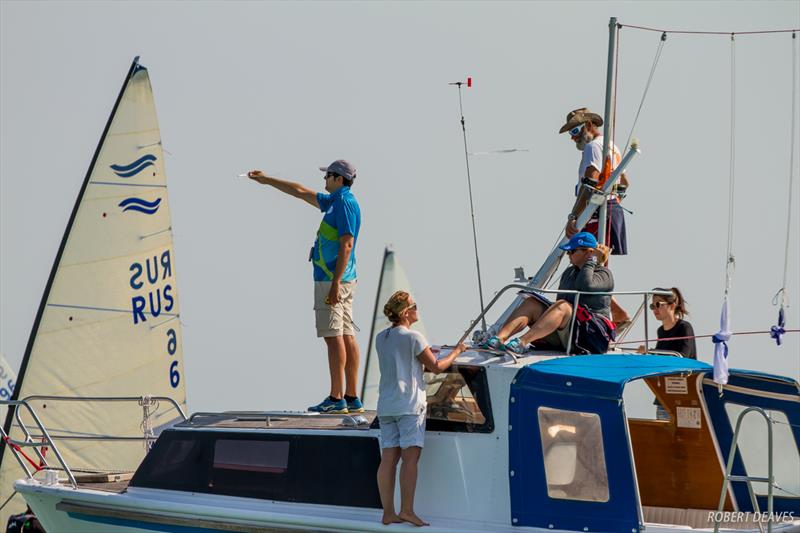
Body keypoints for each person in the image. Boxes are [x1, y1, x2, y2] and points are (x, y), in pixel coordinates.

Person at [248, 160, 362, 414]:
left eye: (328, 176)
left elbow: (346, 244)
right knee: (344, 334)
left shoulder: (343, 203)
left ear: (339, 178)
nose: (324, 180)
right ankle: (351, 396)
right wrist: (267, 180)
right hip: (340, 279)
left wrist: (334, 283)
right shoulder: (335, 202)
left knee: (334, 337)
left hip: (332, 280)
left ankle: (337, 398)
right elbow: (301, 192)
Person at [375, 291, 466, 527]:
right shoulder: (415, 337)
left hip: (386, 406)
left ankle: (388, 513)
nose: (418, 310)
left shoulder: (381, 338)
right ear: (406, 312)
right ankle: (407, 510)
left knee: (388, 460)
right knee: (410, 459)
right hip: (409, 406)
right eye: (415, 306)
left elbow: (404, 363)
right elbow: (436, 368)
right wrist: (457, 351)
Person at [485, 232, 615, 354]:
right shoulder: (569, 273)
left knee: (563, 305)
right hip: (569, 332)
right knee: (531, 302)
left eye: (572, 251)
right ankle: (498, 339)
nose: (568, 255)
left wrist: (591, 261)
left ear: (589, 253)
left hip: (592, 336)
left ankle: (521, 342)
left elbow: (585, 285)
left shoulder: (604, 274)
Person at [561, 107, 630, 327]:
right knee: (597, 263)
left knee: (587, 262)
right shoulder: (612, 146)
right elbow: (625, 182)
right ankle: (613, 313)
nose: (573, 138)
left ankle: (610, 316)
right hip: (611, 210)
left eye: (576, 131)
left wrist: (574, 215)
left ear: (590, 126)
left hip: (598, 211)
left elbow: (590, 183)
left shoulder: (593, 146)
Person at [639, 287, 697, 358]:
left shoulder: (684, 327)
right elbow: (658, 356)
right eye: (652, 306)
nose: (655, 309)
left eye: (658, 304)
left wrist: (650, 351)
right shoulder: (660, 331)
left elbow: (683, 357)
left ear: (672, 306)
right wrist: (647, 352)